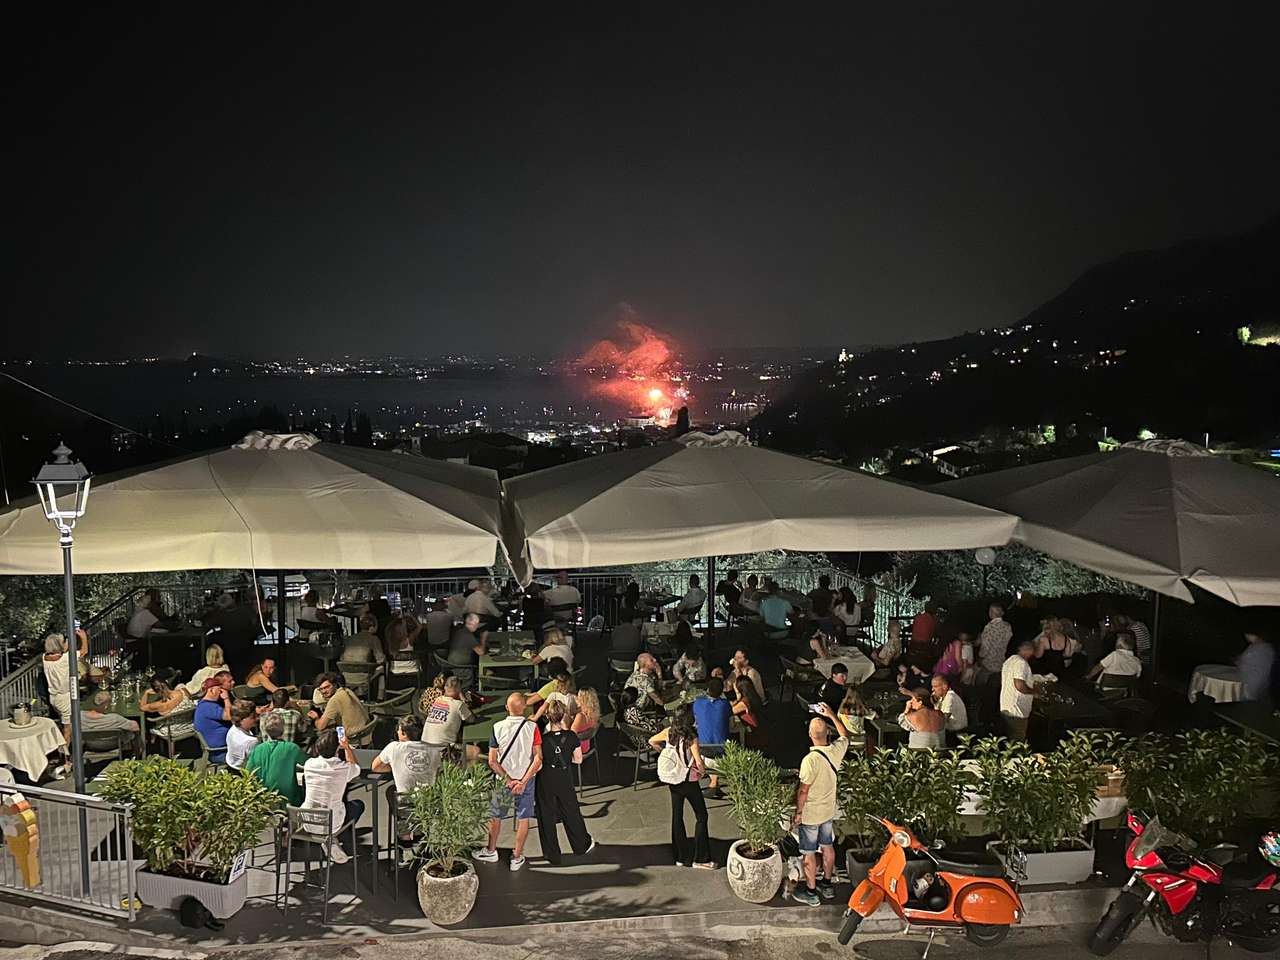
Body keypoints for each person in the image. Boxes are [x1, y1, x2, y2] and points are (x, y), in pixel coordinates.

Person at [475, 693, 543, 871]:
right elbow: (538, 758)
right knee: (523, 818)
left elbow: (492, 761)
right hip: (526, 780)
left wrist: (508, 780)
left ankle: (491, 851)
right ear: (525, 707)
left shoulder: (497, 727)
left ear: (507, 708)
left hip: (503, 780)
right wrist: (522, 782)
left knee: (496, 815)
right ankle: (516, 857)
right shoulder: (533, 727)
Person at [792, 702, 849, 905]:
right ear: (828, 733)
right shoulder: (836, 751)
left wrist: (798, 813)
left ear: (810, 734)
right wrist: (832, 714)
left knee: (808, 853)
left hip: (811, 814)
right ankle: (827, 884)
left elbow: (803, 791)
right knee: (827, 846)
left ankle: (811, 892)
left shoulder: (809, 760)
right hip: (827, 811)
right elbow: (845, 735)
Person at [649, 706, 715, 869]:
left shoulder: (668, 732)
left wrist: (664, 752)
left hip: (674, 780)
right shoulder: (691, 736)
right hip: (689, 781)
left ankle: (680, 856)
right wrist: (703, 773)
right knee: (701, 815)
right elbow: (698, 762)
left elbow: (651, 741)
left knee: (677, 816)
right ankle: (701, 858)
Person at [534, 700, 594, 865]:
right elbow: (578, 760)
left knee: (546, 815)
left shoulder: (542, 739)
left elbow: (538, 761)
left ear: (547, 716)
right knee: (571, 811)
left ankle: (552, 854)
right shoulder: (571, 736)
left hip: (546, 778)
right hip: (564, 776)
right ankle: (581, 845)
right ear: (564, 715)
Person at [302, 728, 363, 863]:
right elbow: (356, 768)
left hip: (308, 821)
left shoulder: (309, 764)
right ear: (337, 749)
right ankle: (333, 838)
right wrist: (347, 748)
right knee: (358, 805)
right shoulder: (343, 768)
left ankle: (330, 840)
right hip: (331, 823)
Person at [372, 715, 442, 807]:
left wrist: (395, 766)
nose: (397, 732)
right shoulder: (434, 750)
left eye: (399, 730)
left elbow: (375, 767)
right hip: (429, 801)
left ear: (404, 734)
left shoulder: (393, 748)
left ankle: (397, 815)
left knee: (390, 791)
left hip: (405, 802)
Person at [246, 714, 308, 806]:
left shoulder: (258, 749)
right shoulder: (292, 748)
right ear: (283, 729)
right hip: (288, 798)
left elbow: (248, 771)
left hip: (263, 797)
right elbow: (307, 762)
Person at [691, 676, 732, 793]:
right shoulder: (725, 704)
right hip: (722, 748)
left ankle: (713, 782)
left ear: (708, 689)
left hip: (703, 748)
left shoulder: (698, 703)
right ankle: (714, 782)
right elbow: (730, 722)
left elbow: (697, 721)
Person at [309, 672, 371, 743]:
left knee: (319, 735)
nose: (323, 691)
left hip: (355, 738)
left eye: (327, 687)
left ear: (334, 685)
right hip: (365, 733)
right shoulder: (346, 690)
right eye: (321, 689)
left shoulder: (335, 700)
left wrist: (316, 718)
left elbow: (320, 726)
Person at [81, 690, 142, 756]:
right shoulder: (114, 718)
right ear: (106, 706)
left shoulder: (80, 716)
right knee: (131, 733)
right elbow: (135, 727)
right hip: (111, 744)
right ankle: (137, 755)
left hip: (89, 745)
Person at [1000, 640, 1039, 740]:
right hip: (1017, 709)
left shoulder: (1009, 660)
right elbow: (1019, 685)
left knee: (1009, 737)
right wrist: (1034, 692)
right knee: (1017, 738)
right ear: (1027, 649)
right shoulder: (1021, 663)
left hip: (1006, 705)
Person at [421, 675, 476, 746]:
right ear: (459, 689)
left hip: (424, 744)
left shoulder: (438, 699)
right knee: (476, 750)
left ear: (445, 687)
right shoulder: (458, 705)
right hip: (443, 748)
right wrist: (463, 699)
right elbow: (472, 719)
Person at [194, 674, 233, 761]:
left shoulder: (205, 704)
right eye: (219, 690)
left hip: (223, 747)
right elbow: (229, 716)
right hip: (220, 752)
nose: (221, 693)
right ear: (212, 690)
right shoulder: (208, 707)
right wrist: (226, 698)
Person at [42, 633, 74, 740]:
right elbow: (84, 652)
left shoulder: (44, 657)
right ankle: (65, 750)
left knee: (64, 724)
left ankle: (66, 746)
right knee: (67, 730)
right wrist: (83, 637)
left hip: (53, 697)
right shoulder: (65, 658)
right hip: (64, 698)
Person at [446, 613, 487, 692]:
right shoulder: (467, 635)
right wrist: (484, 638)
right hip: (461, 667)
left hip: (452, 663)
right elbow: (481, 652)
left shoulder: (461, 631)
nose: (478, 626)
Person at [1237, 628, 1276, 703]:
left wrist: (1240, 661)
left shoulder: (1258, 648)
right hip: (1259, 681)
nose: (1246, 637)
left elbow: (1247, 662)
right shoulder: (1265, 646)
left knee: (1249, 701)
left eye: (1247, 634)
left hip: (1252, 681)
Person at [977, 603, 1013, 681]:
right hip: (1000, 660)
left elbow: (985, 646)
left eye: (991, 611)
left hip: (988, 661)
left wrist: (980, 657)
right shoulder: (1007, 626)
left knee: (981, 682)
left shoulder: (990, 627)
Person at [224, 700, 259, 771]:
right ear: (241, 720)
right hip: (243, 771)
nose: (257, 718)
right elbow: (256, 761)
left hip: (231, 764)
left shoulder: (233, 729)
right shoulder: (251, 741)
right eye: (253, 717)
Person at [570, 687, 602, 755]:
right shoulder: (594, 711)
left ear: (582, 699)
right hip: (586, 745)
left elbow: (571, 734)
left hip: (577, 748)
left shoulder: (581, 716)